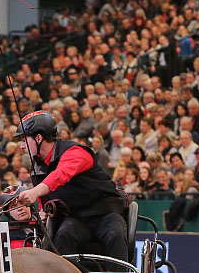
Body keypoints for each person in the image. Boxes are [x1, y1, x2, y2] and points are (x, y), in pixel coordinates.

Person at [15, 111, 128, 261]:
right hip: (76, 218)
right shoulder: (36, 169)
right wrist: (43, 213)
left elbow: (61, 174)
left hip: (105, 214)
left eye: (24, 140)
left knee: (116, 234)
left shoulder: (75, 152)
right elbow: (46, 202)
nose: (22, 146)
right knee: (63, 235)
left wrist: (34, 191)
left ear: (38, 137)